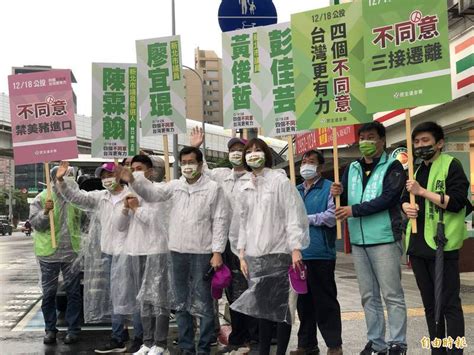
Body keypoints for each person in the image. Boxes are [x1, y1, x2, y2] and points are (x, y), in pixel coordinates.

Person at [118, 146, 229, 355]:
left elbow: (220, 220)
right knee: (181, 302)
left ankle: (204, 347)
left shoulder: (213, 188)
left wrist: (217, 251)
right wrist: (133, 180)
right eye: (184, 162)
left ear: (199, 163)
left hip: (202, 252)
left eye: (191, 162)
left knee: (204, 302)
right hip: (177, 251)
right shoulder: (174, 186)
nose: (187, 166)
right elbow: (151, 194)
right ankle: (187, 348)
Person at [330, 122, 408, 355]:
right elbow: (343, 200)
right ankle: (376, 342)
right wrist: (337, 193)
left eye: (371, 137)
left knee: (392, 294)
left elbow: (388, 198)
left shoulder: (393, 166)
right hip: (359, 241)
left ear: (382, 140)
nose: (365, 141)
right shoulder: (351, 167)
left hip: (384, 239)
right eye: (362, 137)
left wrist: (353, 210)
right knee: (368, 297)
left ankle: (398, 343)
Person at [230, 138, 309, 355]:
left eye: (258, 150)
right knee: (263, 309)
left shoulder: (279, 181)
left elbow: (292, 215)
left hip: (280, 253)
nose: (253, 154)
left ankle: (280, 351)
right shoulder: (243, 186)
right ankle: (264, 350)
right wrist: (242, 253)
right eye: (249, 151)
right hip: (256, 256)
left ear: (266, 154)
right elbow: (241, 223)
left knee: (283, 309)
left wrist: (295, 248)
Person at [55, 161, 143, 354]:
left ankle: (139, 338)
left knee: (135, 296)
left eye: (109, 175)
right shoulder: (101, 197)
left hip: (131, 252)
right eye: (102, 177)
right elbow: (76, 197)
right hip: (110, 253)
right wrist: (61, 181)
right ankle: (118, 337)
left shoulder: (132, 195)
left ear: (119, 175)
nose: (106, 180)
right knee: (116, 296)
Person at [402, 122, 469, 355]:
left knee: (449, 304)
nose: (420, 146)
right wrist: (406, 207)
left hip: (443, 247)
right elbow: (403, 198)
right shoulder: (415, 170)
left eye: (425, 141)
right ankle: (437, 350)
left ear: (439, 143)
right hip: (418, 247)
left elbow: (458, 201)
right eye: (417, 142)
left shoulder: (452, 165)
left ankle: (455, 351)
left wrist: (422, 192)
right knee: (430, 306)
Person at [190, 128, 259, 353]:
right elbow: (201, 170)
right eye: (233, 150)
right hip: (225, 242)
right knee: (230, 288)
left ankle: (254, 337)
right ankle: (239, 337)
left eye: (241, 150)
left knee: (248, 289)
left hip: (249, 242)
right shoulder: (221, 175)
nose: (236, 154)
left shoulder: (255, 178)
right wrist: (197, 147)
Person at [291, 150, 343, 355]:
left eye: (311, 162)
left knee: (325, 302)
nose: (306, 165)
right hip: (299, 255)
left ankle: (334, 344)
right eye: (304, 161)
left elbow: (331, 217)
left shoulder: (332, 188)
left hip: (321, 253)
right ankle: (306, 344)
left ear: (320, 167)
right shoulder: (294, 190)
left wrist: (305, 219)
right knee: (303, 304)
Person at [119, 155, 172, 355]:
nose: (134, 172)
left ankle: (161, 343)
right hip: (136, 251)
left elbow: (157, 222)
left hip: (156, 250)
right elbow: (120, 227)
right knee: (143, 300)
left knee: (159, 299)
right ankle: (147, 342)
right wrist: (125, 210)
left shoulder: (159, 191)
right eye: (132, 168)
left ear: (150, 171)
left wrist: (136, 209)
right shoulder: (128, 193)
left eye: (139, 168)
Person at [29, 166, 83, 345]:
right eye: (63, 175)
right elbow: (36, 224)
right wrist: (45, 212)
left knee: (74, 293)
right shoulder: (42, 198)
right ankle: (50, 329)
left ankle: (73, 330)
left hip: (71, 253)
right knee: (49, 294)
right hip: (48, 253)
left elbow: (84, 222)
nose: (67, 178)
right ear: (53, 178)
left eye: (69, 175)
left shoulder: (75, 198)